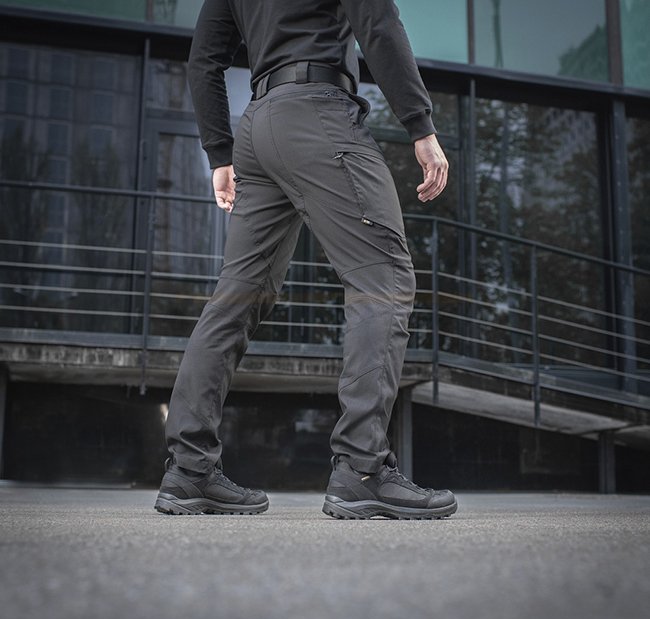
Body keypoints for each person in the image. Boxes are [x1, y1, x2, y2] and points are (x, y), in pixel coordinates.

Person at [154, 0, 457, 520]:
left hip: (256, 129)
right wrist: (421, 126)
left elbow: (203, 59)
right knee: (383, 276)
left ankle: (188, 470)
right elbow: (378, 24)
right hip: (318, 113)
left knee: (236, 298)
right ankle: (362, 468)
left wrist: (219, 153)